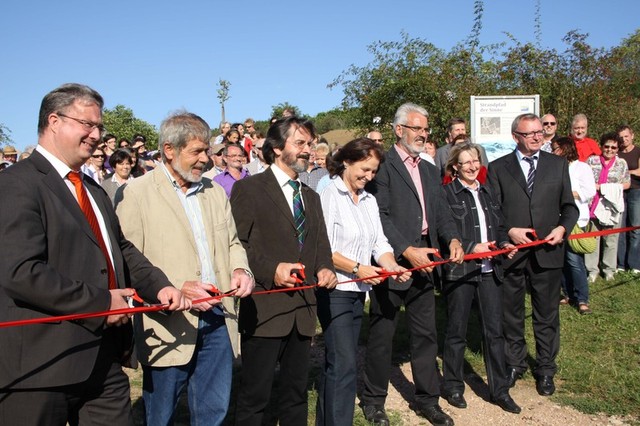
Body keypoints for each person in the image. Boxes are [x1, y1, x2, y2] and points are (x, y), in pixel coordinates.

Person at [0, 83, 189, 425]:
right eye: (87, 124)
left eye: (99, 126)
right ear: (54, 121)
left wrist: (159, 286)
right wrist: (101, 303)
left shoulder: (93, 190)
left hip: (103, 359)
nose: (97, 134)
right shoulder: (16, 184)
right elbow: (21, 272)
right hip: (39, 367)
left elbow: (121, 250)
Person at [116, 111, 254, 426]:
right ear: (169, 150)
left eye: (207, 150)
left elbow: (233, 242)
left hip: (218, 318)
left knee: (213, 410)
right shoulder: (136, 194)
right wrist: (176, 287)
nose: (206, 158)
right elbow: (129, 258)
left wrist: (240, 270)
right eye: (197, 151)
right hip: (167, 323)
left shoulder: (214, 191)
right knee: (161, 415)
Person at [361, 103, 464, 426]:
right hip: (391, 257)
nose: (423, 134)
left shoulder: (431, 168)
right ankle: (374, 401)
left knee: (425, 333)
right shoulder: (383, 166)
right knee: (383, 331)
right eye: (417, 128)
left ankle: (427, 400)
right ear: (399, 129)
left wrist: (454, 240)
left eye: (425, 129)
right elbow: (380, 216)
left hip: (426, 257)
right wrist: (405, 250)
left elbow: (441, 212)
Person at [230, 116, 338, 425]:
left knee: (296, 394)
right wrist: (271, 270)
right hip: (265, 310)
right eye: (300, 144)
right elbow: (237, 246)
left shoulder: (311, 197)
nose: (308, 150)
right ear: (277, 148)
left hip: (303, 312)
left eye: (309, 144)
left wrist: (326, 268)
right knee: (255, 397)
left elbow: (320, 246)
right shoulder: (248, 189)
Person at [316, 138, 410, 426]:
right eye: (365, 169)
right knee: (344, 364)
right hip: (335, 291)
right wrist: (358, 268)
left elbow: (378, 241)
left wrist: (391, 266)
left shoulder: (369, 200)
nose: (369, 177)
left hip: (358, 291)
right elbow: (325, 249)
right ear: (347, 161)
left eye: (373, 172)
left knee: (339, 363)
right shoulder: (330, 195)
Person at [487, 113, 578, 397]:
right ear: (516, 137)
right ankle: (515, 363)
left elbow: (570, 207)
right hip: (513, 253)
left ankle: (546, 368)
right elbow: (493, 211)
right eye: (531, 134)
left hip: (548, 252)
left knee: (546, 314)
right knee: (511, 313)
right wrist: (508, 232)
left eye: (540, 131)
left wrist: (563, 228)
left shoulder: (557, 164)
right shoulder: (498, 168)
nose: (538, 137)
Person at [441, 143, 521, 414]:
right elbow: (445, 229)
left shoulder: (488, 191)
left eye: (476, 161)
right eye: (467, 163)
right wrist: (472, 245)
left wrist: (503, 243)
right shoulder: (447, 194)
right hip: (462, 271)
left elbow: (498, 225)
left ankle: (499, 390)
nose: (473, 166)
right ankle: (452, 385)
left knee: (494, 332)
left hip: (490, 270)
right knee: (456, 330)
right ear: (455, 168)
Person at [551, 137, 596, 314]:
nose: (553, 152)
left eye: (555, 149)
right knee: (560, 259)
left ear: (564, 149)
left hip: (576, 219)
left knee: (574, 260)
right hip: (556, 218)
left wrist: (569, 194)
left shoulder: (582, 168)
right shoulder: (554, 167)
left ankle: (582, 298)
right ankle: (567, 293)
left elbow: (590, 191)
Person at [585, 133, 630, 281]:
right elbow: (584, 180)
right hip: (593, 205)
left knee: (611, 239)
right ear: (602, 146)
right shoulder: (592, 161)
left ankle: (609, 268)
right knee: (593, 238)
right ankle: (592, 270)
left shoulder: (621, 163)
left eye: (613, 147)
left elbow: (627, 183)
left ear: (617, 149)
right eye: (607, 146)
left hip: (612, 207)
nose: (610, 150)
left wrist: (606, 188)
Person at [616, 125, 640, 273]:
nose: (624, 140)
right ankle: (620, 264)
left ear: (632, 136)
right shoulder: (616, 153)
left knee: (635, 228)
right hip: (620, 192)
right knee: (620, 228)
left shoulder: (638, 151)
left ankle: (635, 263)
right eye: (621, 137)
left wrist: (625, 172)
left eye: (626, 136)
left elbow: (639, 171)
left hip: (636, 191)